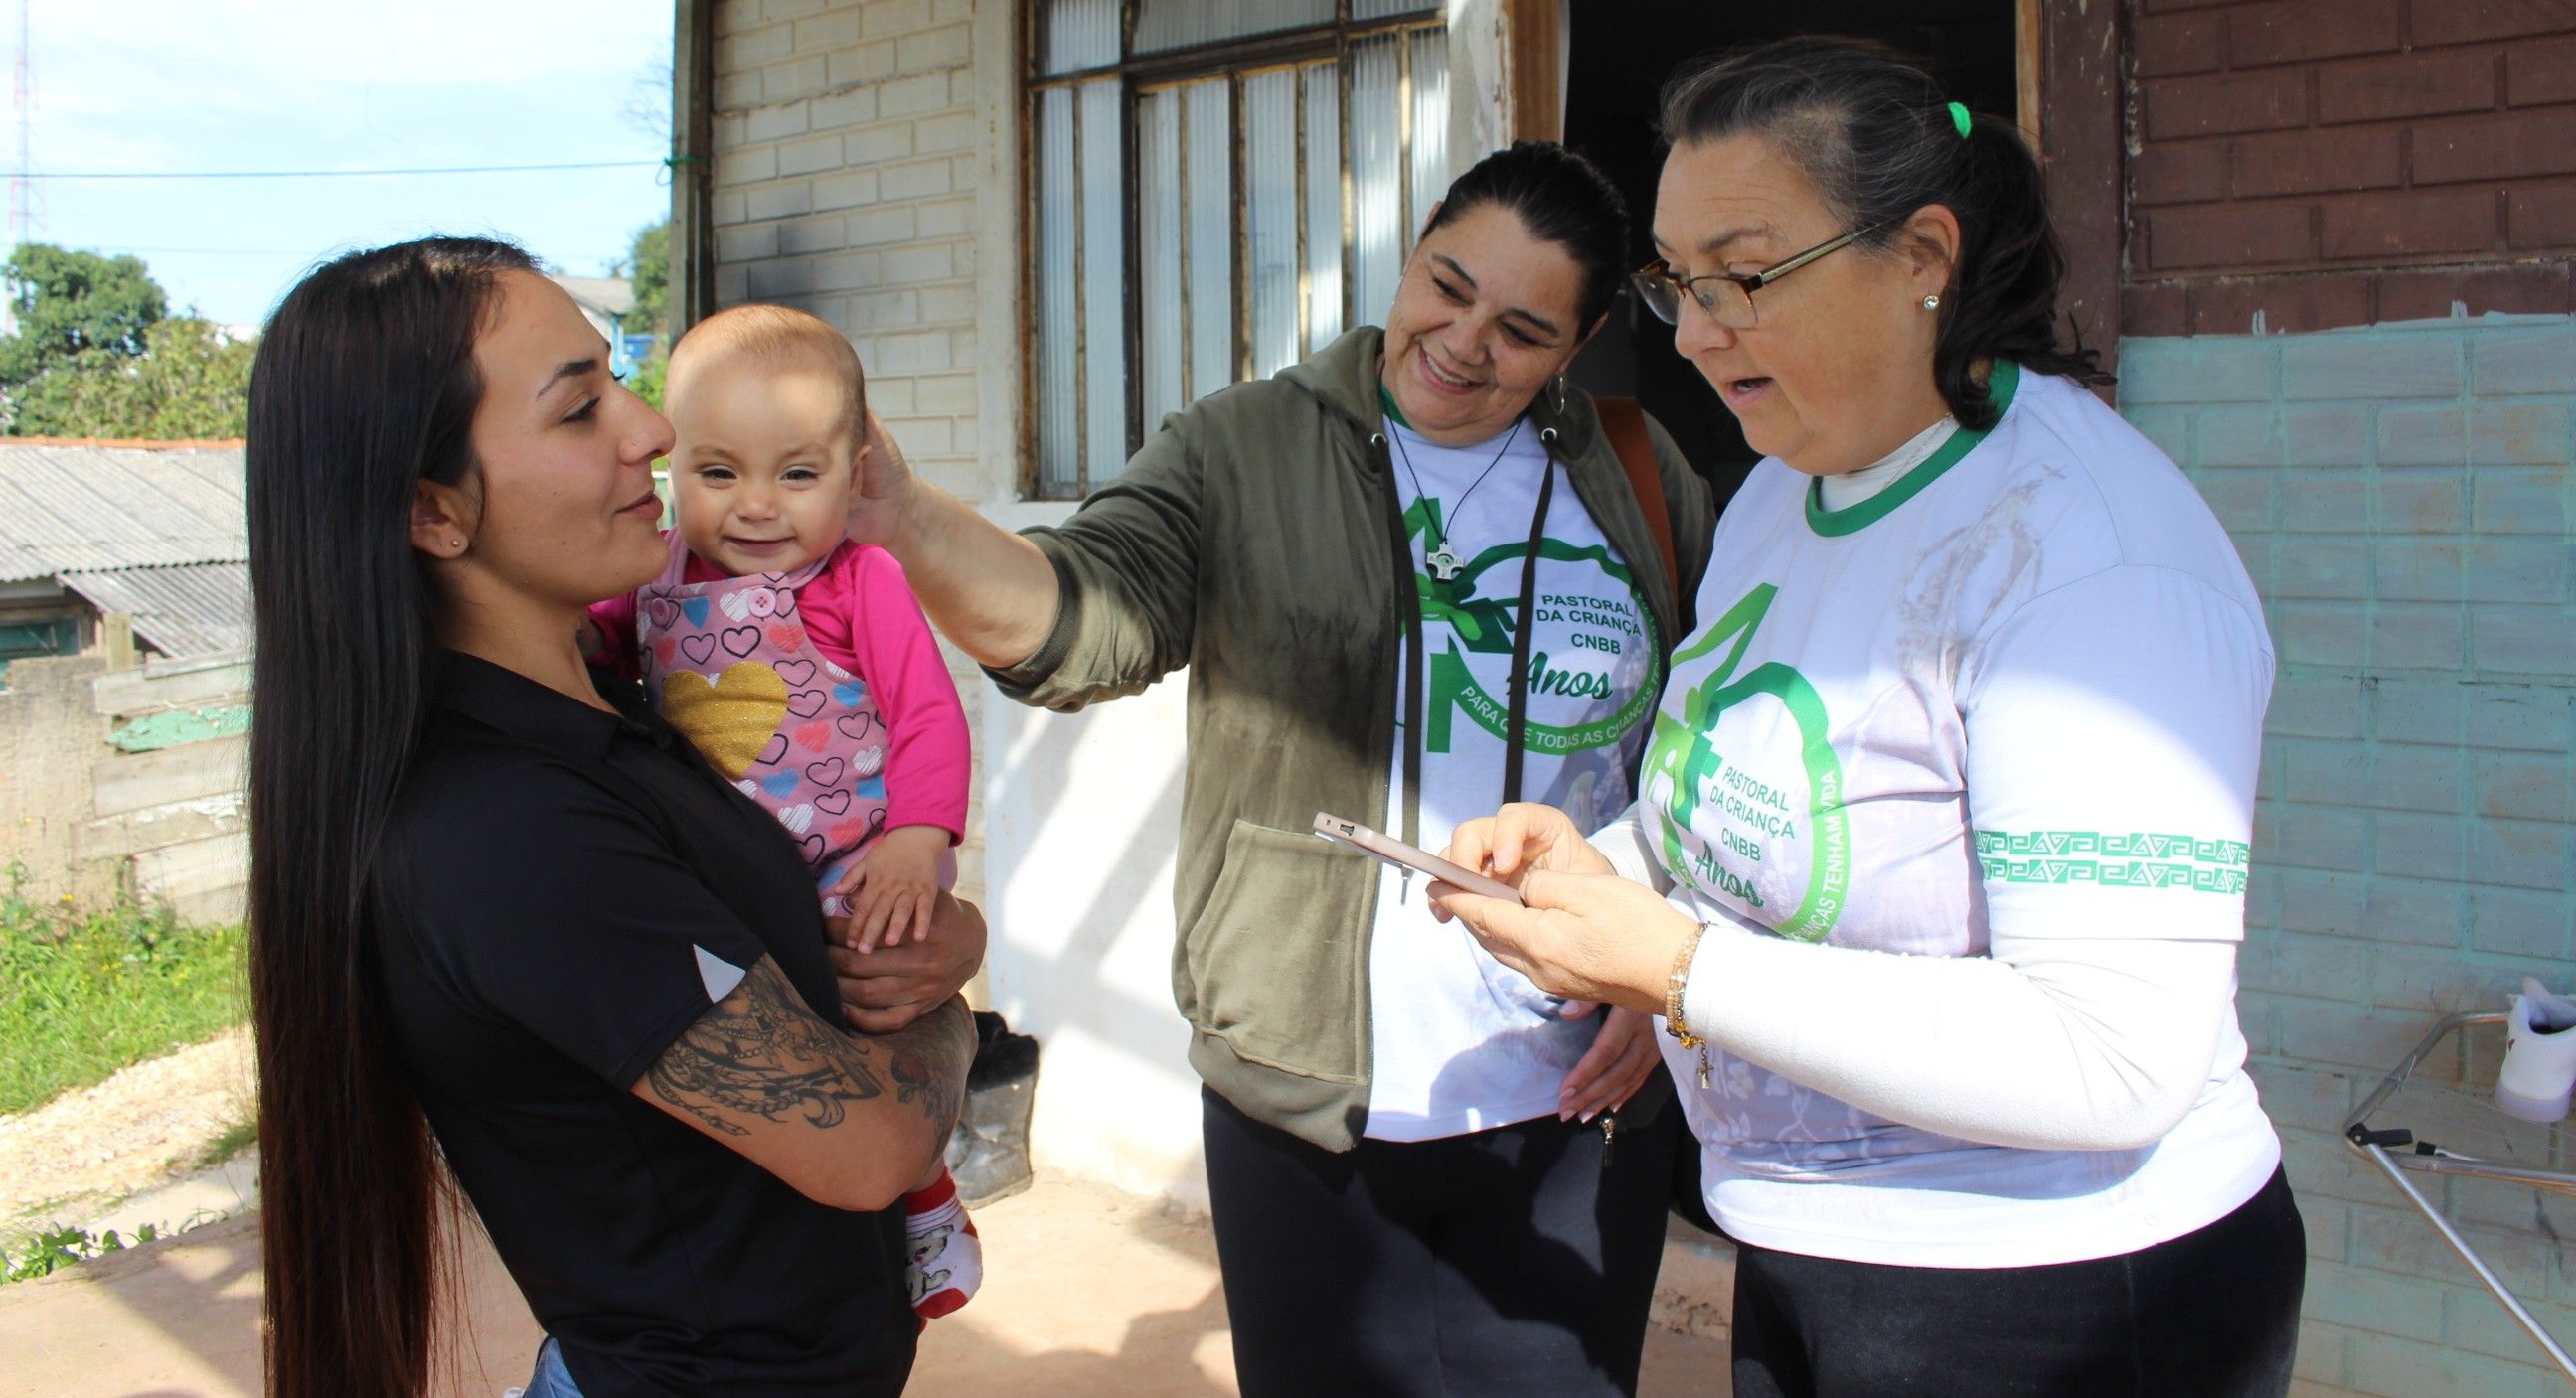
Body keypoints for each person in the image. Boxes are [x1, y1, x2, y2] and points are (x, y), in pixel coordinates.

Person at [1433, 38, 2306, 1398]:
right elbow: (1745, 790)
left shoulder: (2088, 557)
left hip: (2053, 1289)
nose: (1701, 331)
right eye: (1675, 283)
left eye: (1748, 273)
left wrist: (1675, 968)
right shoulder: (1787, 483)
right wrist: (1607, 862)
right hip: (1804, 1238)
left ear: (1923, 257)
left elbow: (2117, 1054)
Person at [848, 142, 1716, 1396]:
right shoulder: (1246, 445)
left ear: (1574, 350)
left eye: (1522, 329)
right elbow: (1088, 616)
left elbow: (1703, 732)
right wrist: (913, 520)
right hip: (1306, 1095)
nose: (1463, 342)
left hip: (1577, 1098)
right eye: (1446, 284)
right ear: (1410, 254)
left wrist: (1658, 966)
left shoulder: (1635, 473)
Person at [243, 237, 983, 1398]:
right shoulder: (505, 830)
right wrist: (948, 1006)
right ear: (434, 512)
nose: (650, 430)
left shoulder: (620, 696)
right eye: (582, 408)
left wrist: (939, 926)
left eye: (620, 376)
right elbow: (869, 1146)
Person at [583, 304, 983, 1324]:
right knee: (773, 1063)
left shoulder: (862, 579)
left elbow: (929, 714)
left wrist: (918, 840)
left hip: (859, 863)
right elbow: (591, 651)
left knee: (873, 1019)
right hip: (732, 875)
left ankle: (929, 1200)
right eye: (719, 474)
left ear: (853, 477)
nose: (757, 508)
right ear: (674, 470)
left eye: (797, 475)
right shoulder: (656, 577)